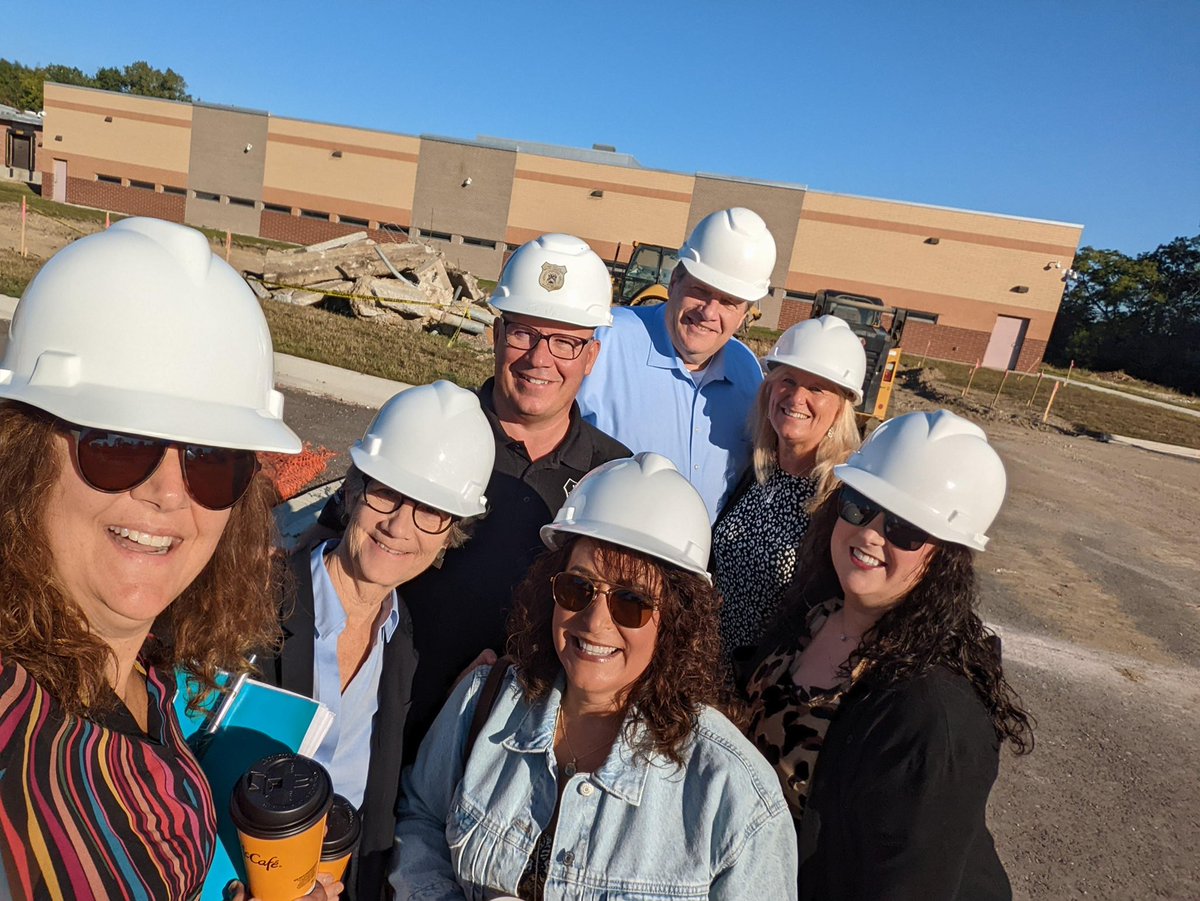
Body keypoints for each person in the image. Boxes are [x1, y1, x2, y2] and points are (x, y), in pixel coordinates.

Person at [0, 219, 338, 900]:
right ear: (24, 453)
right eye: (118, 440)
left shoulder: (147, 669)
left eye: (211, 458)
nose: (166, 491)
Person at [391, 453, 798, 899]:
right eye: (577, 588)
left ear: (676, 621)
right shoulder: (483, 703)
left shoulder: (732, 794)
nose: (595, 622)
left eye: (631, 602)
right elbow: (422, 818)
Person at [335, 233, 630, 762]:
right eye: (524, 333)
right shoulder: (433, 429)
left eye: (565, 341)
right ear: (496, 334)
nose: (540, 358)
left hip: (517, 749)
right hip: (387, 714)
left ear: (592, 357)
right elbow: (336, 545)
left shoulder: (610, 477)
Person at [742, 410, 1034, 899]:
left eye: (904, 528)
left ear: (944, 555)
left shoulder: (932, 713)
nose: (871, 533)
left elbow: (907, 883)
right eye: (859, 505)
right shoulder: (817, 609)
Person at [264, 381, 494, 900]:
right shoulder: (261, 605)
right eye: (386, 492)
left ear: (447, 536)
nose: (398, 527)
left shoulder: (400, 641)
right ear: (351, 491)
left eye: (430, 511)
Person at [577, 207, 777, 521]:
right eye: (700, 291)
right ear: (674, 282)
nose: (709, 312)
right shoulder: (608, 341)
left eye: (728, 302)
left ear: (744, 314)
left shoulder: (747, 371)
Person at [712, 315, 866, 657]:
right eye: (788, 380)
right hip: (715, 667)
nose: (796, 398)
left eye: (817, 389)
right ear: (769, 389)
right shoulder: (756, 471)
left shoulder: (842, 499)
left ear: (841, 408)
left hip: (771, 684)